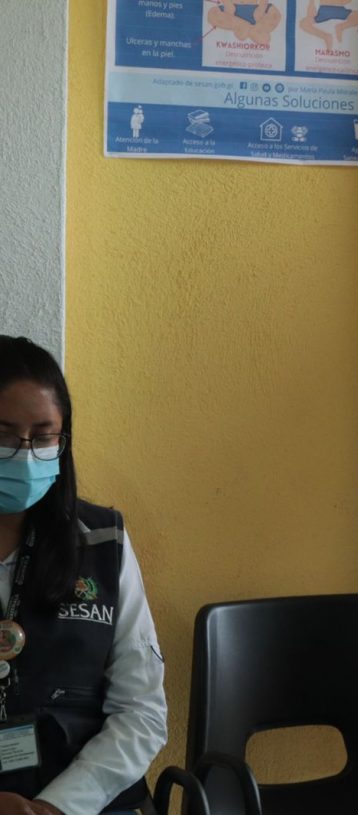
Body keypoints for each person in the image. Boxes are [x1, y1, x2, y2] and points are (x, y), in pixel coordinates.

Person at [0, 337, 166, 815]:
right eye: (4, 435)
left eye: (43, 436)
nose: (25, 454)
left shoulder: (102, 542)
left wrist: (56, 807)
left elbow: (141, 711)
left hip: (87, 802)